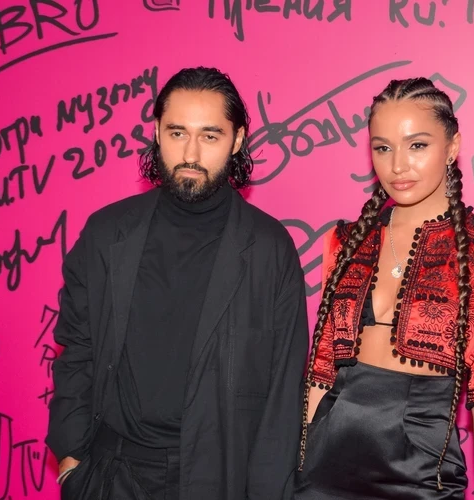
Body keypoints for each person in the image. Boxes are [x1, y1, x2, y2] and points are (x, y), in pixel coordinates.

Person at [46, 66, 309, 500]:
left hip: (218, 476)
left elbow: (283, 392)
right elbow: (77, 349)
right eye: (177, 133)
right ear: (156, 132)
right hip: (112, 474)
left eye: (210, 136)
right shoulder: (107, 233)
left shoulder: (269, 249)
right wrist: (71, 461)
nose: (191, 153)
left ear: (237, 140)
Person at [294, 78, 474, 499]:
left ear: (453, 147)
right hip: (324, 470)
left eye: (417, 145)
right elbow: (322, 370)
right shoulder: (345, 241)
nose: (398, 165)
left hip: (421, 473)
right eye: (383, 148)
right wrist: (295, 471)